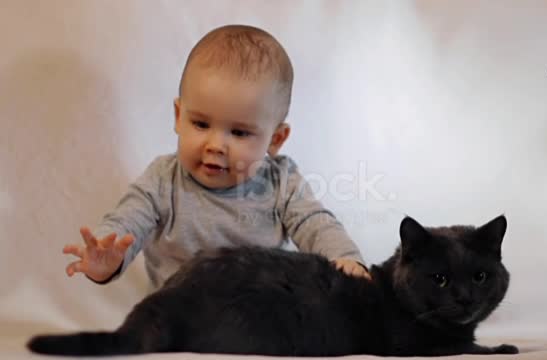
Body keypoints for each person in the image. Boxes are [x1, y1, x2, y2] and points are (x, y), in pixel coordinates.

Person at [62, 24, 370, 290]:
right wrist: (108, 254)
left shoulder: (281, 182)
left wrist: (343, 258)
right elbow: (129, 219)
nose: (216, 145)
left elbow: (315, 223)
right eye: (201, 124)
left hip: (256, 311)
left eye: (239, 133)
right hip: (179, 313)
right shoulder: (162, 179)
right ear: (178, 116)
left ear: (275, 140)